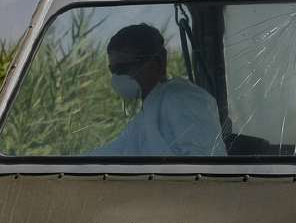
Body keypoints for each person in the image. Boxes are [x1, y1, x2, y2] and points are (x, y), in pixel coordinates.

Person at [96, 23, 226, 157]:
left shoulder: (182, 99)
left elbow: (206, 164)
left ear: (157, 62)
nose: (117, 77)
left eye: (124, 68)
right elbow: (117, 151)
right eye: (113, 70)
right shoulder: (147, 114)